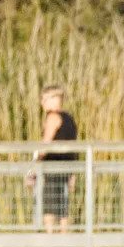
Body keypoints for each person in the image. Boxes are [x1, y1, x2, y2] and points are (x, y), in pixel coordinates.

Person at [26, 86, 78, 233]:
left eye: (44, 99)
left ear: (54, 99)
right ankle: (64, 238)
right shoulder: (69, 118)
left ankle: (49, 240)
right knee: (63, 208)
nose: (42, 103)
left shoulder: (52, 117)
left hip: (51, 168)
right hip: (66, 168)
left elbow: (45, 145)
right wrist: (72, 174)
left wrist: (33, 169)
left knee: (48, 206)